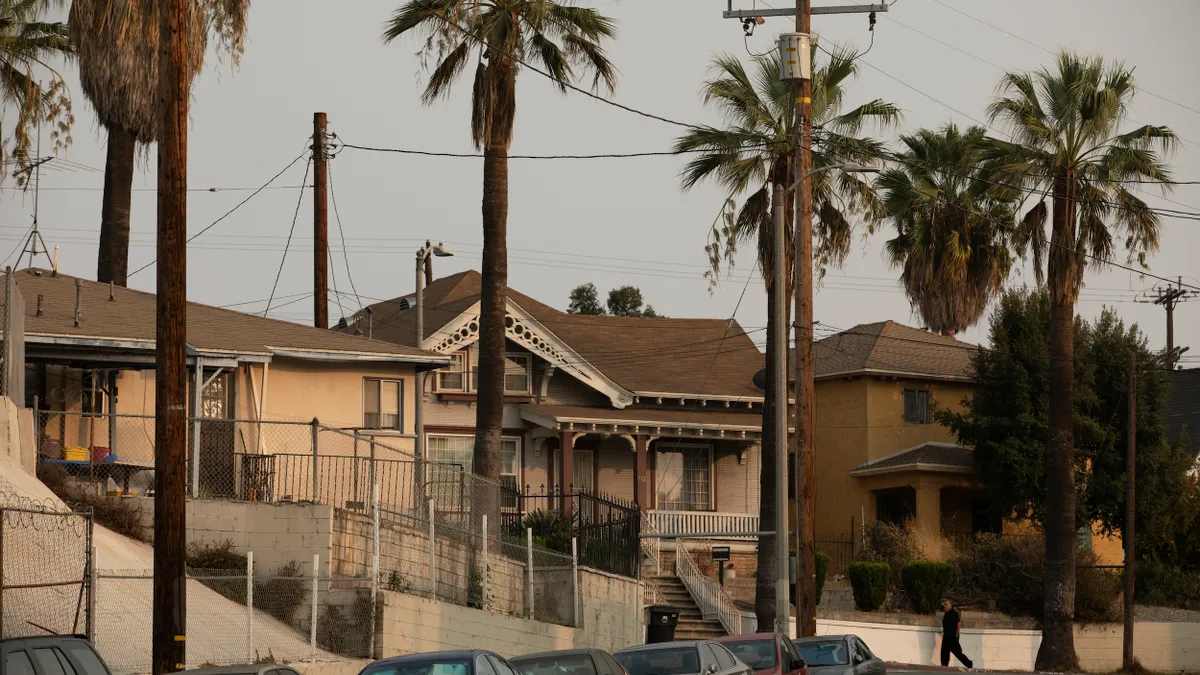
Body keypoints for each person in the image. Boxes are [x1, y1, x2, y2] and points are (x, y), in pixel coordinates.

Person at [940, 599, 974, 668]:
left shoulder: (954, 613)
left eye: (946, 604)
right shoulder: (946, 614)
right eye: (944, 604)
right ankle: (944, 665)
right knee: (944, 652)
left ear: (950, 605)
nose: (944, 606)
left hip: (952, 637)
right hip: (946, 637)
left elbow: (958, 622)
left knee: (957, 653)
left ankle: (969, 663)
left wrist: (957, 633)